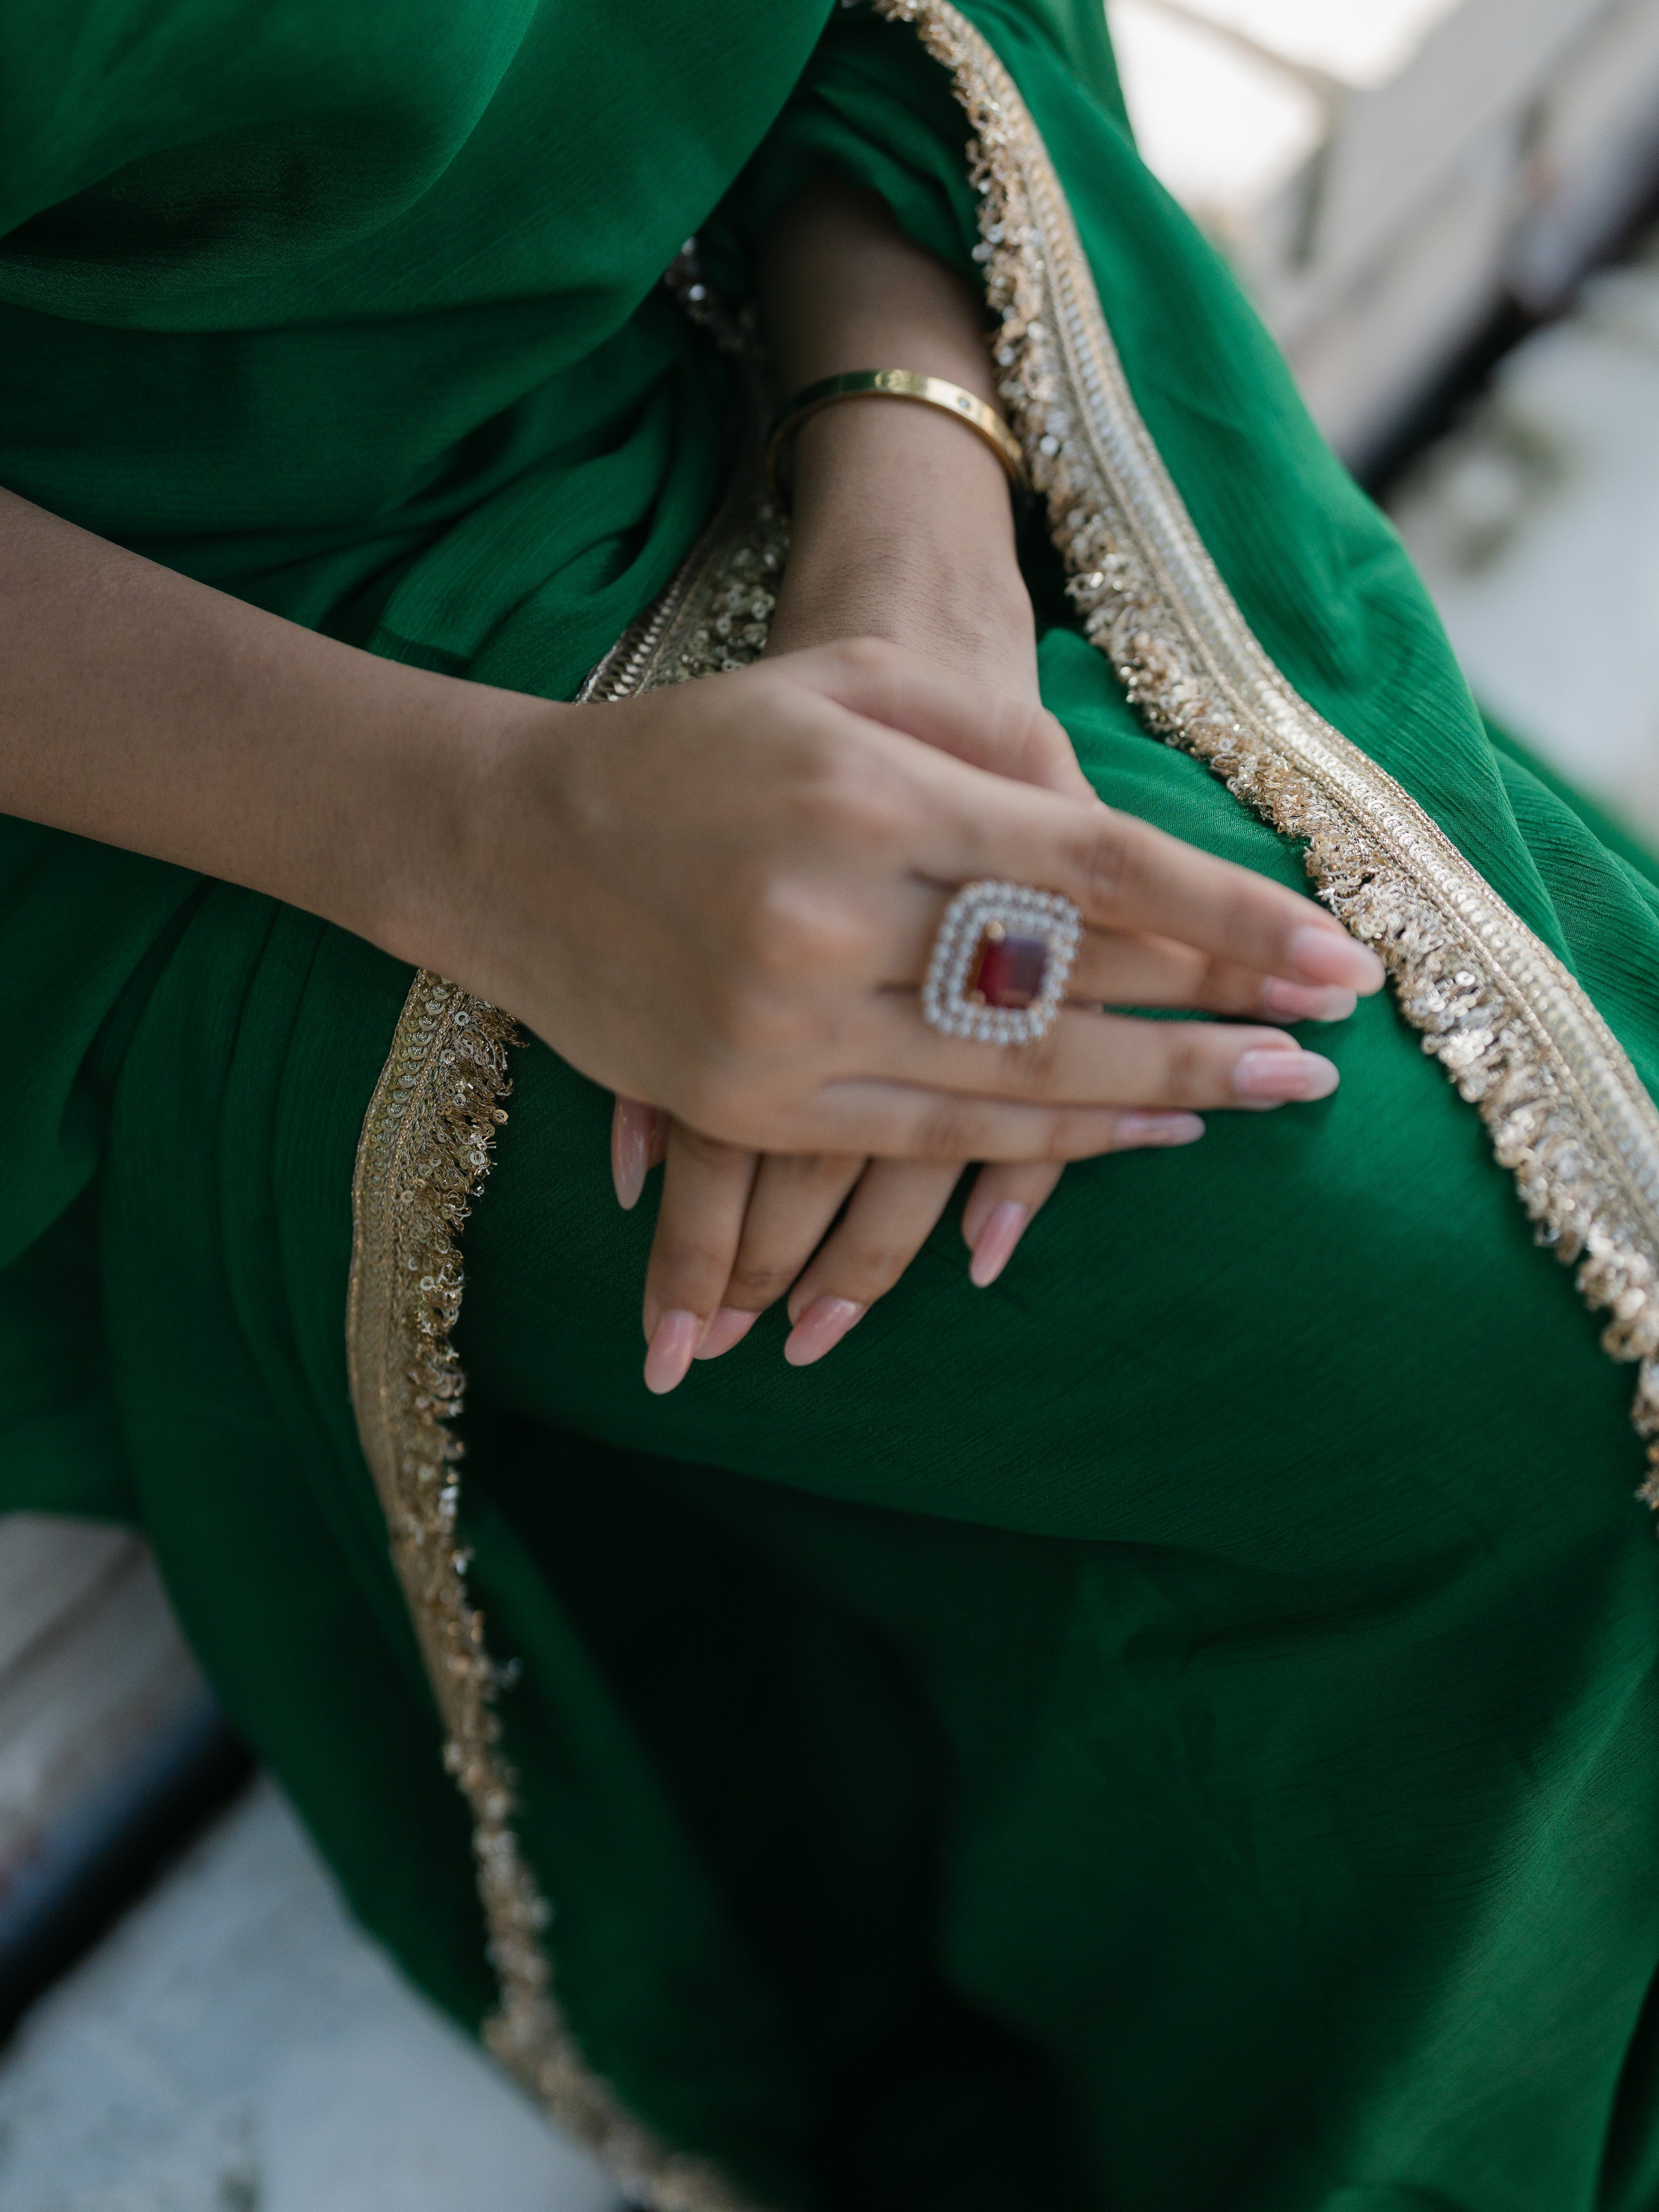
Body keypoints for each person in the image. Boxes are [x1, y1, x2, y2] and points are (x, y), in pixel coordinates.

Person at [4, 0, 1659, 2204]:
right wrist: (499, 847)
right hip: (202, 712)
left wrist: (916, 547)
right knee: (1499, 1392)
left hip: (749, 366)